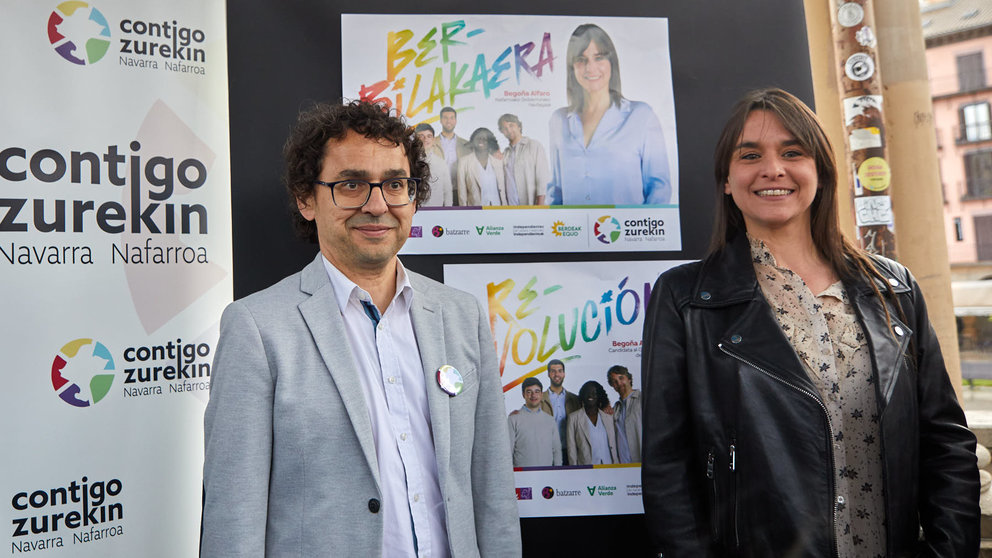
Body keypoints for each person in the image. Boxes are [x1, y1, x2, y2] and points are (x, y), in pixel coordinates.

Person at [641, 88, 978, 557]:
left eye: (792, 152)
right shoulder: (685, 299)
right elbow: (667, 467)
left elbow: (946, 442)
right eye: (750, 155)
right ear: (726, 179)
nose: (772, 169)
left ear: (819, 170)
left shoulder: (894, 288)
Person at [201, 100, 521, 558]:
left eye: (395, 184)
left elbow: (492, 494)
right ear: (306, 199)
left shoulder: (462, 315)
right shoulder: (257, 328)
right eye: (351, 184)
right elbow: (234, 520)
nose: (377, 205)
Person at [546, 23, 670, 206]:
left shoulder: (641, 116)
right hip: (571, 232)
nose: (590, 67)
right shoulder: (559, 120)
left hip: (626, 233)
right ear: (572, 66)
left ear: (612, 62)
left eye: (599, 58)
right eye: (581, 59)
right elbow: (556, 192)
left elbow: (659, 190)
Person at [507, 377, 562, 467]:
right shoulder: (513, 419)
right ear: (523, 394)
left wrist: (557, 472)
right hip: (522, 476)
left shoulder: (550, 420)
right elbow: (508, 451)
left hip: (547, 474)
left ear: (541, 394)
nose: (533, 395)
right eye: (529, 392)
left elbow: (556, 450)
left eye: (537, 391)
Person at [497, 113, 549, 205]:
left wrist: (540, 208)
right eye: (504, 128)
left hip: (529, 205)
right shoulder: (505, 153)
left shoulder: (534, 146)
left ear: (519, 126)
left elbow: (542, 180)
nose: (508, 130)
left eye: (511, 125)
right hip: (510, 208)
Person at [566, 380, 618, 465]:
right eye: (587, 392)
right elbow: (571, 449)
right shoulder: (573, 418)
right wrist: (574, 471)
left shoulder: (608, 417)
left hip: (609, 466)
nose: (590, 395)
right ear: (582, 395)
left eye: (594, 392)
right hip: (586, 469)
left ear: (599, 396)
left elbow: (614, 445)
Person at [540, 359, 581, 465]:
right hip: (547, 451)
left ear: (564, 374)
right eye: (553, 371)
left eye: (560, 371)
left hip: (569, 451)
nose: (556, 374)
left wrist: (605, 405)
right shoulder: (539, 399)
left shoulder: (575, 400)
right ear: (548, 374)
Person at [456, 127, 507, 206]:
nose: (481, 140)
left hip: (498, 208)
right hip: (476, 211)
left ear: (490, 142)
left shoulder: (498, 162)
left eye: (485, 138)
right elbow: (462, 193)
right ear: (473, 141)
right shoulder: (463, 162)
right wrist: (464, 212)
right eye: (478, 138)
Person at [606, 364, 641, 463]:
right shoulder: (616, 408)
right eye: (614, 382)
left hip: (642, 460)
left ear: (629, 379)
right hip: (623, 464)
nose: (619, 383)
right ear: (613, 386)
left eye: (621, 378)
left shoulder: (643, 399)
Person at [414, 123, 453, 206]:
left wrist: (448, 210)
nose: (425, 139)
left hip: (436, 210)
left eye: (429, 136)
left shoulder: (441, 163)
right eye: (421, 136)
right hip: (415, 210)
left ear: (433, 139)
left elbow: (447, 191)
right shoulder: (410, 161)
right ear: (415, 139)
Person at [437, 106, 470, 198]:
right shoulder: (431, 143)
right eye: (445, 118)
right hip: (439, 191)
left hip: (459, 191)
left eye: (452, 118)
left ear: (455, 121)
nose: (448, 121)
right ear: (440, 120)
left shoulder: (466, 145)